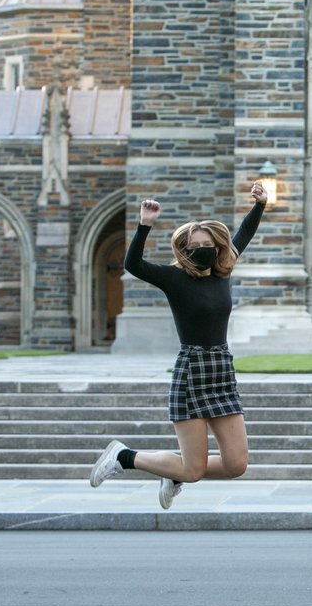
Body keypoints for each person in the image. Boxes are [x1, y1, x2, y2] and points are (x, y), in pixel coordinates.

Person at [89, 182, 269, 508]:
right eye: (194, 244)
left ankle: (172, 473)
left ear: (217, 247)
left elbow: (244, 233)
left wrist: (259, 204)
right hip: (191, 373)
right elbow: (133, 265)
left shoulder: (222, 272)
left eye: (207, 243)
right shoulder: (174, 279)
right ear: (184, 250)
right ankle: (125, 456)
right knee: (193, 469)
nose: (202, 248)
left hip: (222, 371)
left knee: (236, 465)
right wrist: (144, 225)